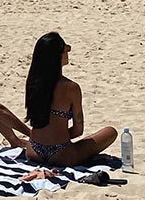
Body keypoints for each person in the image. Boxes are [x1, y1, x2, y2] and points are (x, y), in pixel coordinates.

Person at [23, 31, 118, 167]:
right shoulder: (71, 88)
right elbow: (78, 130)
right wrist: (57, 139)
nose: (68, 51)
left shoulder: (32, 82)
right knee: (110, 132)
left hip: (33, 150)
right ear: (58, 56)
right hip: (61, 154)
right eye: (65, 49)